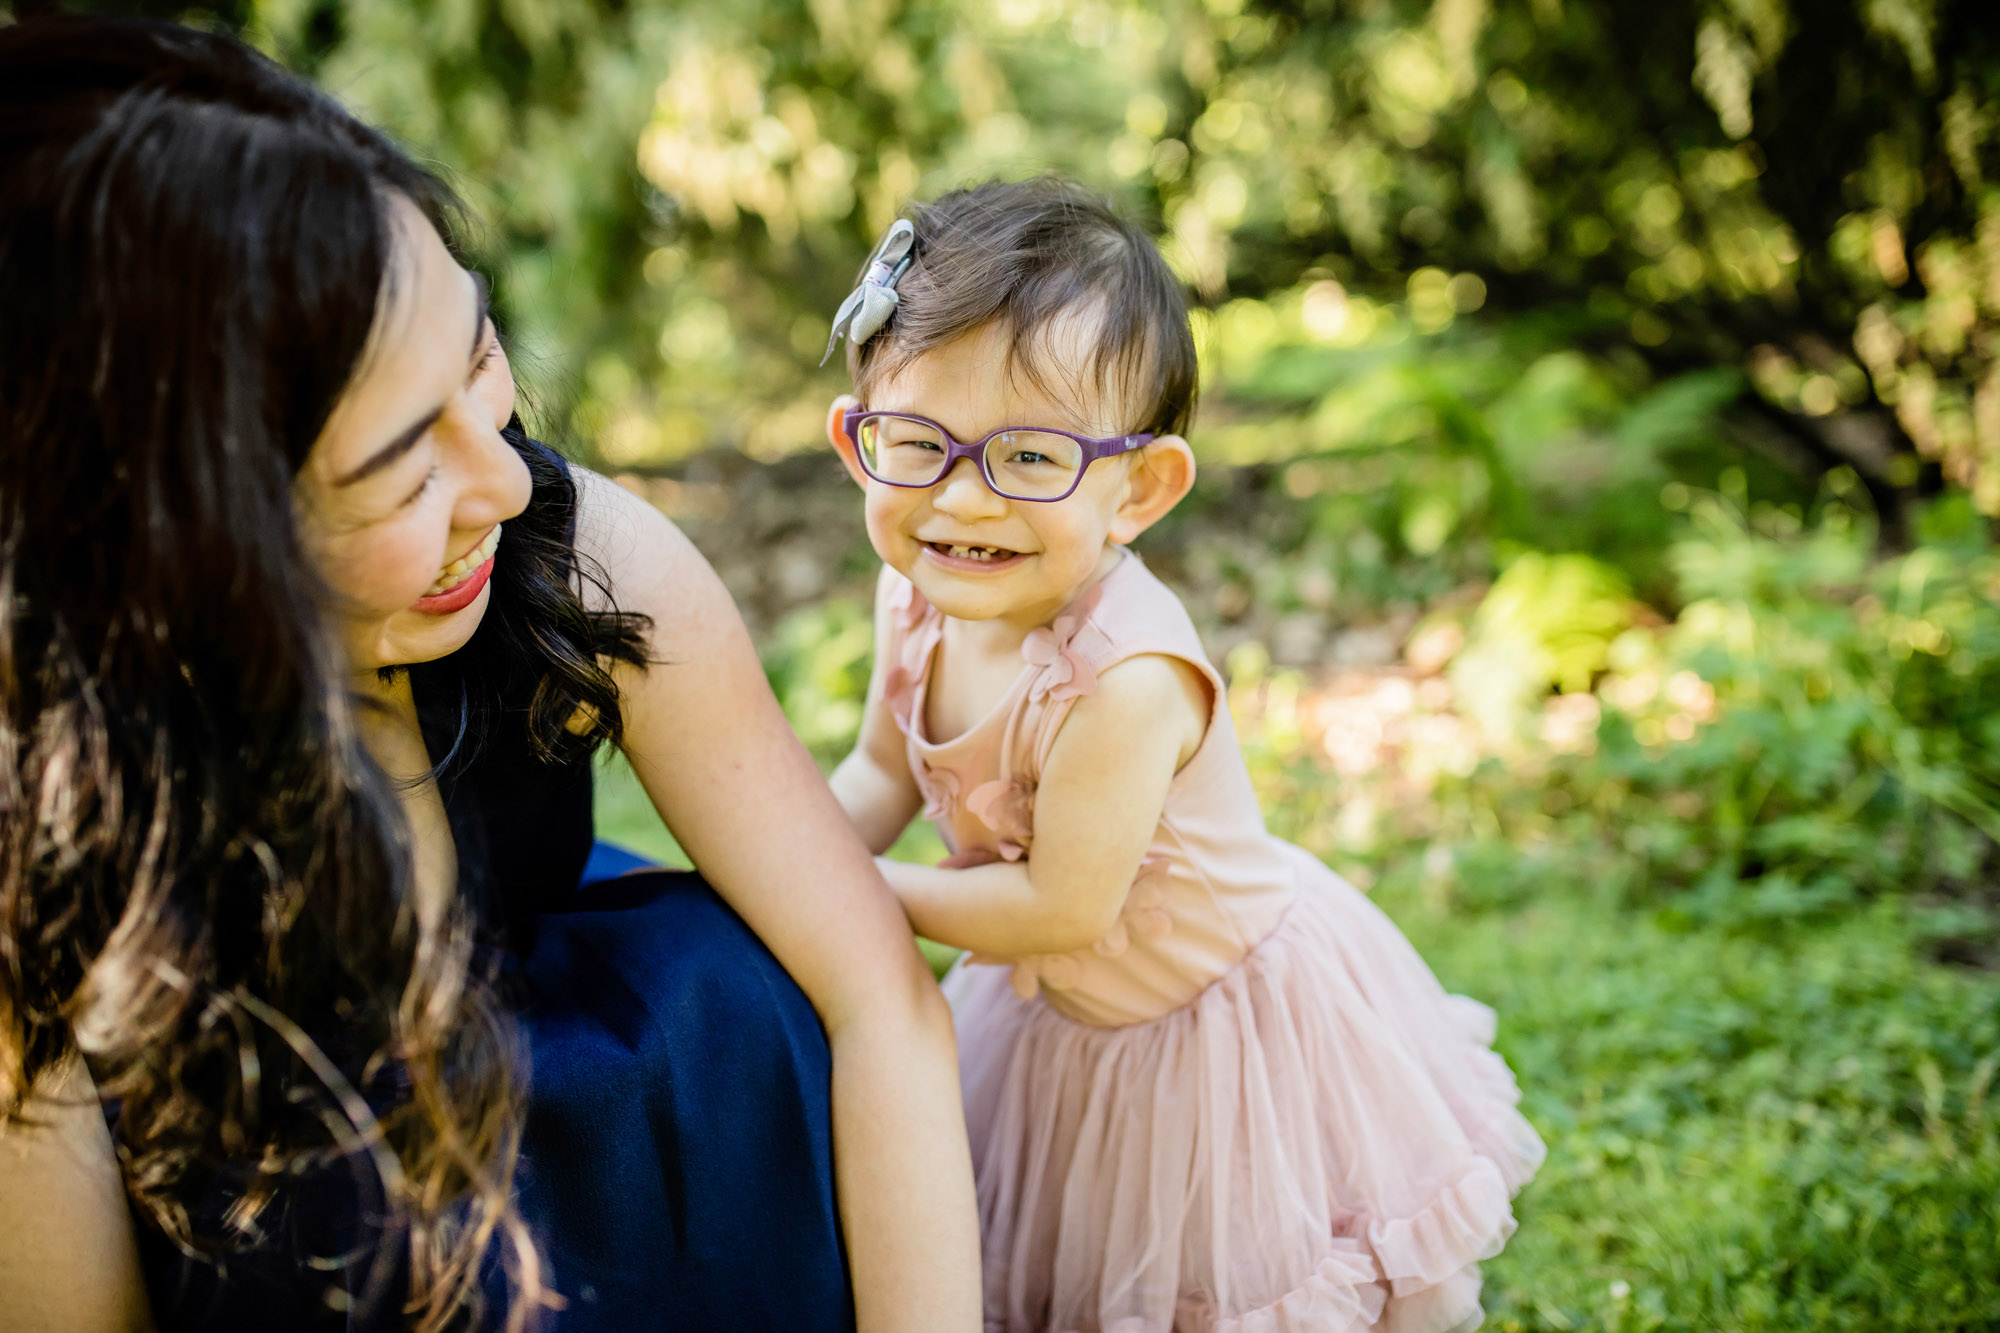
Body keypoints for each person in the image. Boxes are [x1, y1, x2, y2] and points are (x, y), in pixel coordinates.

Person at [0, 16, 979, 1332]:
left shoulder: (573, 555)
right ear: (180, 537)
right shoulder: (53, 835)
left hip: (625, 1181)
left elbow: (881, 1007)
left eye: (480, 356)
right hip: (330, 1261)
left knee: (735, 995)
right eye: (403, 466)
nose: (507, 479)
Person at [823, 179, 1547, 1332]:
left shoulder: (1124, 678)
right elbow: (875, 771)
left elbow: (1060, 905)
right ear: (858, 446)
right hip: (1060, 1020)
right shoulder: (910, 602)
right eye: (918, 444)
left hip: (1217, 1021)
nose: (964, 497)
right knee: (1056, 1249)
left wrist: (841, 891)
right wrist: (784, 850)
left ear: (1139, 488)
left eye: (1027, 457)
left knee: (1233, 1281)